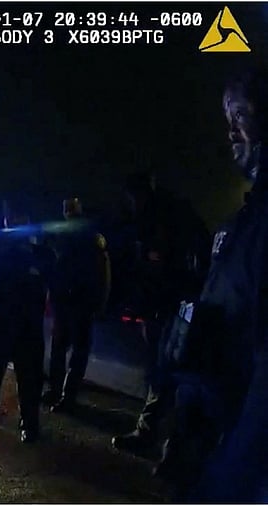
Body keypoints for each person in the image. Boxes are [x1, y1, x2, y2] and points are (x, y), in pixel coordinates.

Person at [168, 67, 268, 502]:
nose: (230, 130)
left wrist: (228, 480)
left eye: (241, 114)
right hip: (213, 428)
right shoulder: (243, 221)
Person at [112, 173, 211, 454]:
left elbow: (166, 268)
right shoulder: (155, 219)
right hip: (165, 308)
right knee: (163, 373)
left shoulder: (166, 219)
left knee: (170, 373)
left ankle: (166, 440)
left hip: (174, 309)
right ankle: (157, 435)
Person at [0, 202, 56, 443]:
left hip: (28, 324)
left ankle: (30, 424)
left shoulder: (39, 250)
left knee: (30, 378)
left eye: (20, 217)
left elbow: (54, 281)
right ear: (5, 219)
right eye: (12, 217)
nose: (16, 221)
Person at [44, 197, 111, 413]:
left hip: (81, 303)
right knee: (60, 351)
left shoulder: (90, 237)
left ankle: (67, 395)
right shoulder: (62, 235)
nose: (68, 212)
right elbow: (54, 268)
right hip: (65, 302)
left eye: (71, 208)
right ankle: (57, 392)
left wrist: (100, 302)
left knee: (75, 354)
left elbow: (103, 272)